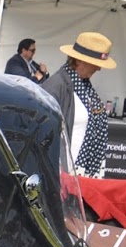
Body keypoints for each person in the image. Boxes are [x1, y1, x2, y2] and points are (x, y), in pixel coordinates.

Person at [41, 31, 116, 178]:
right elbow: (44, 133)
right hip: (61, 174)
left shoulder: (85, 88)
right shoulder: (56, 86)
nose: (99, 69)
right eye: (96, 64)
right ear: (78, 60)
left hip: (79, 173)